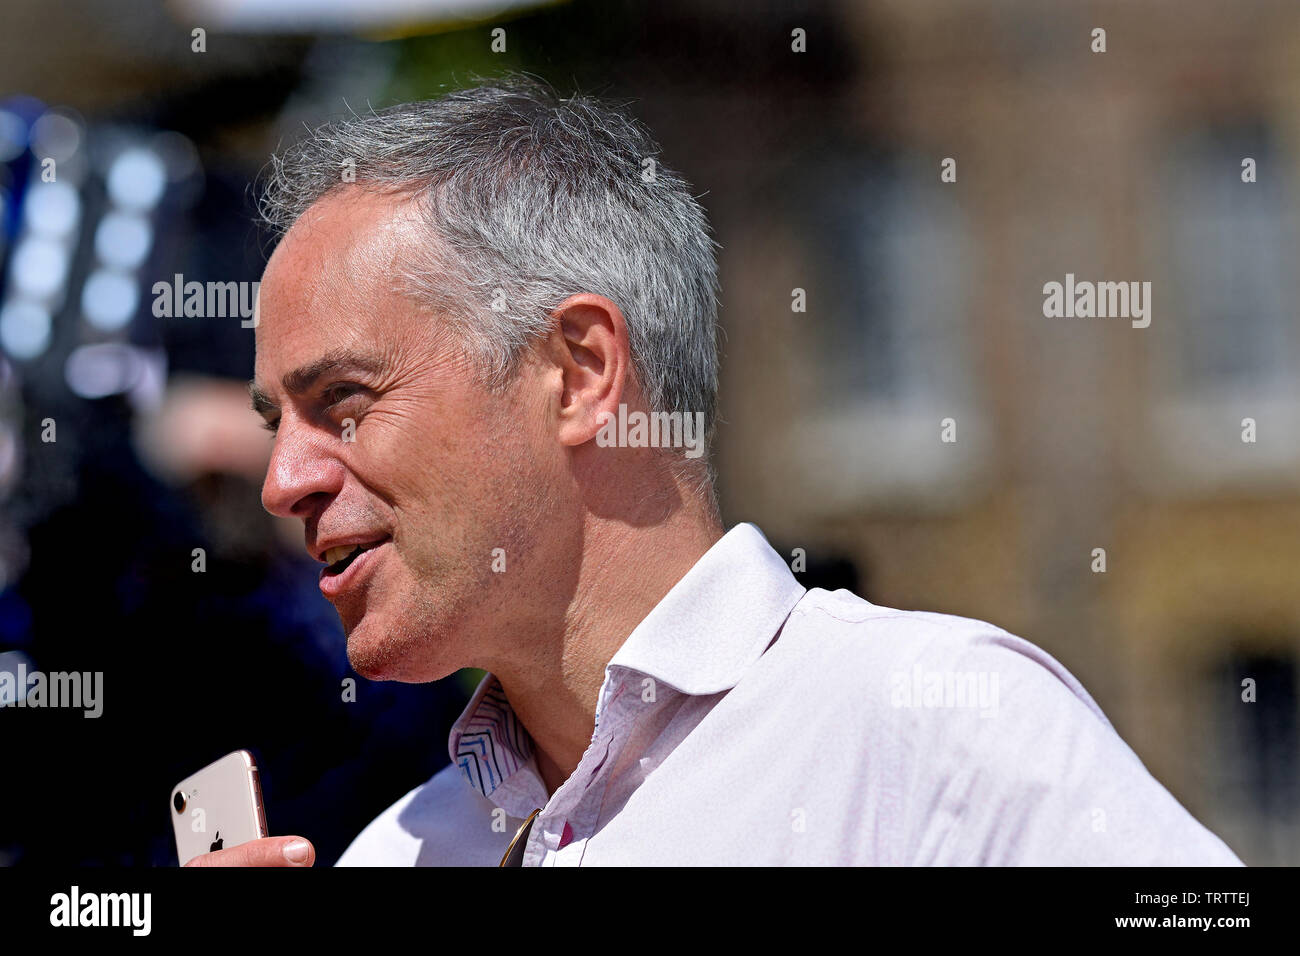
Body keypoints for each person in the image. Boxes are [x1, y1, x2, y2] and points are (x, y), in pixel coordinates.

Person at [188, 75, 1242, 866]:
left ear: (579, 371)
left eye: (345, 403)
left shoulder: (943, 736)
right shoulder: (396, 850)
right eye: (277, 421)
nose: (284, 478)